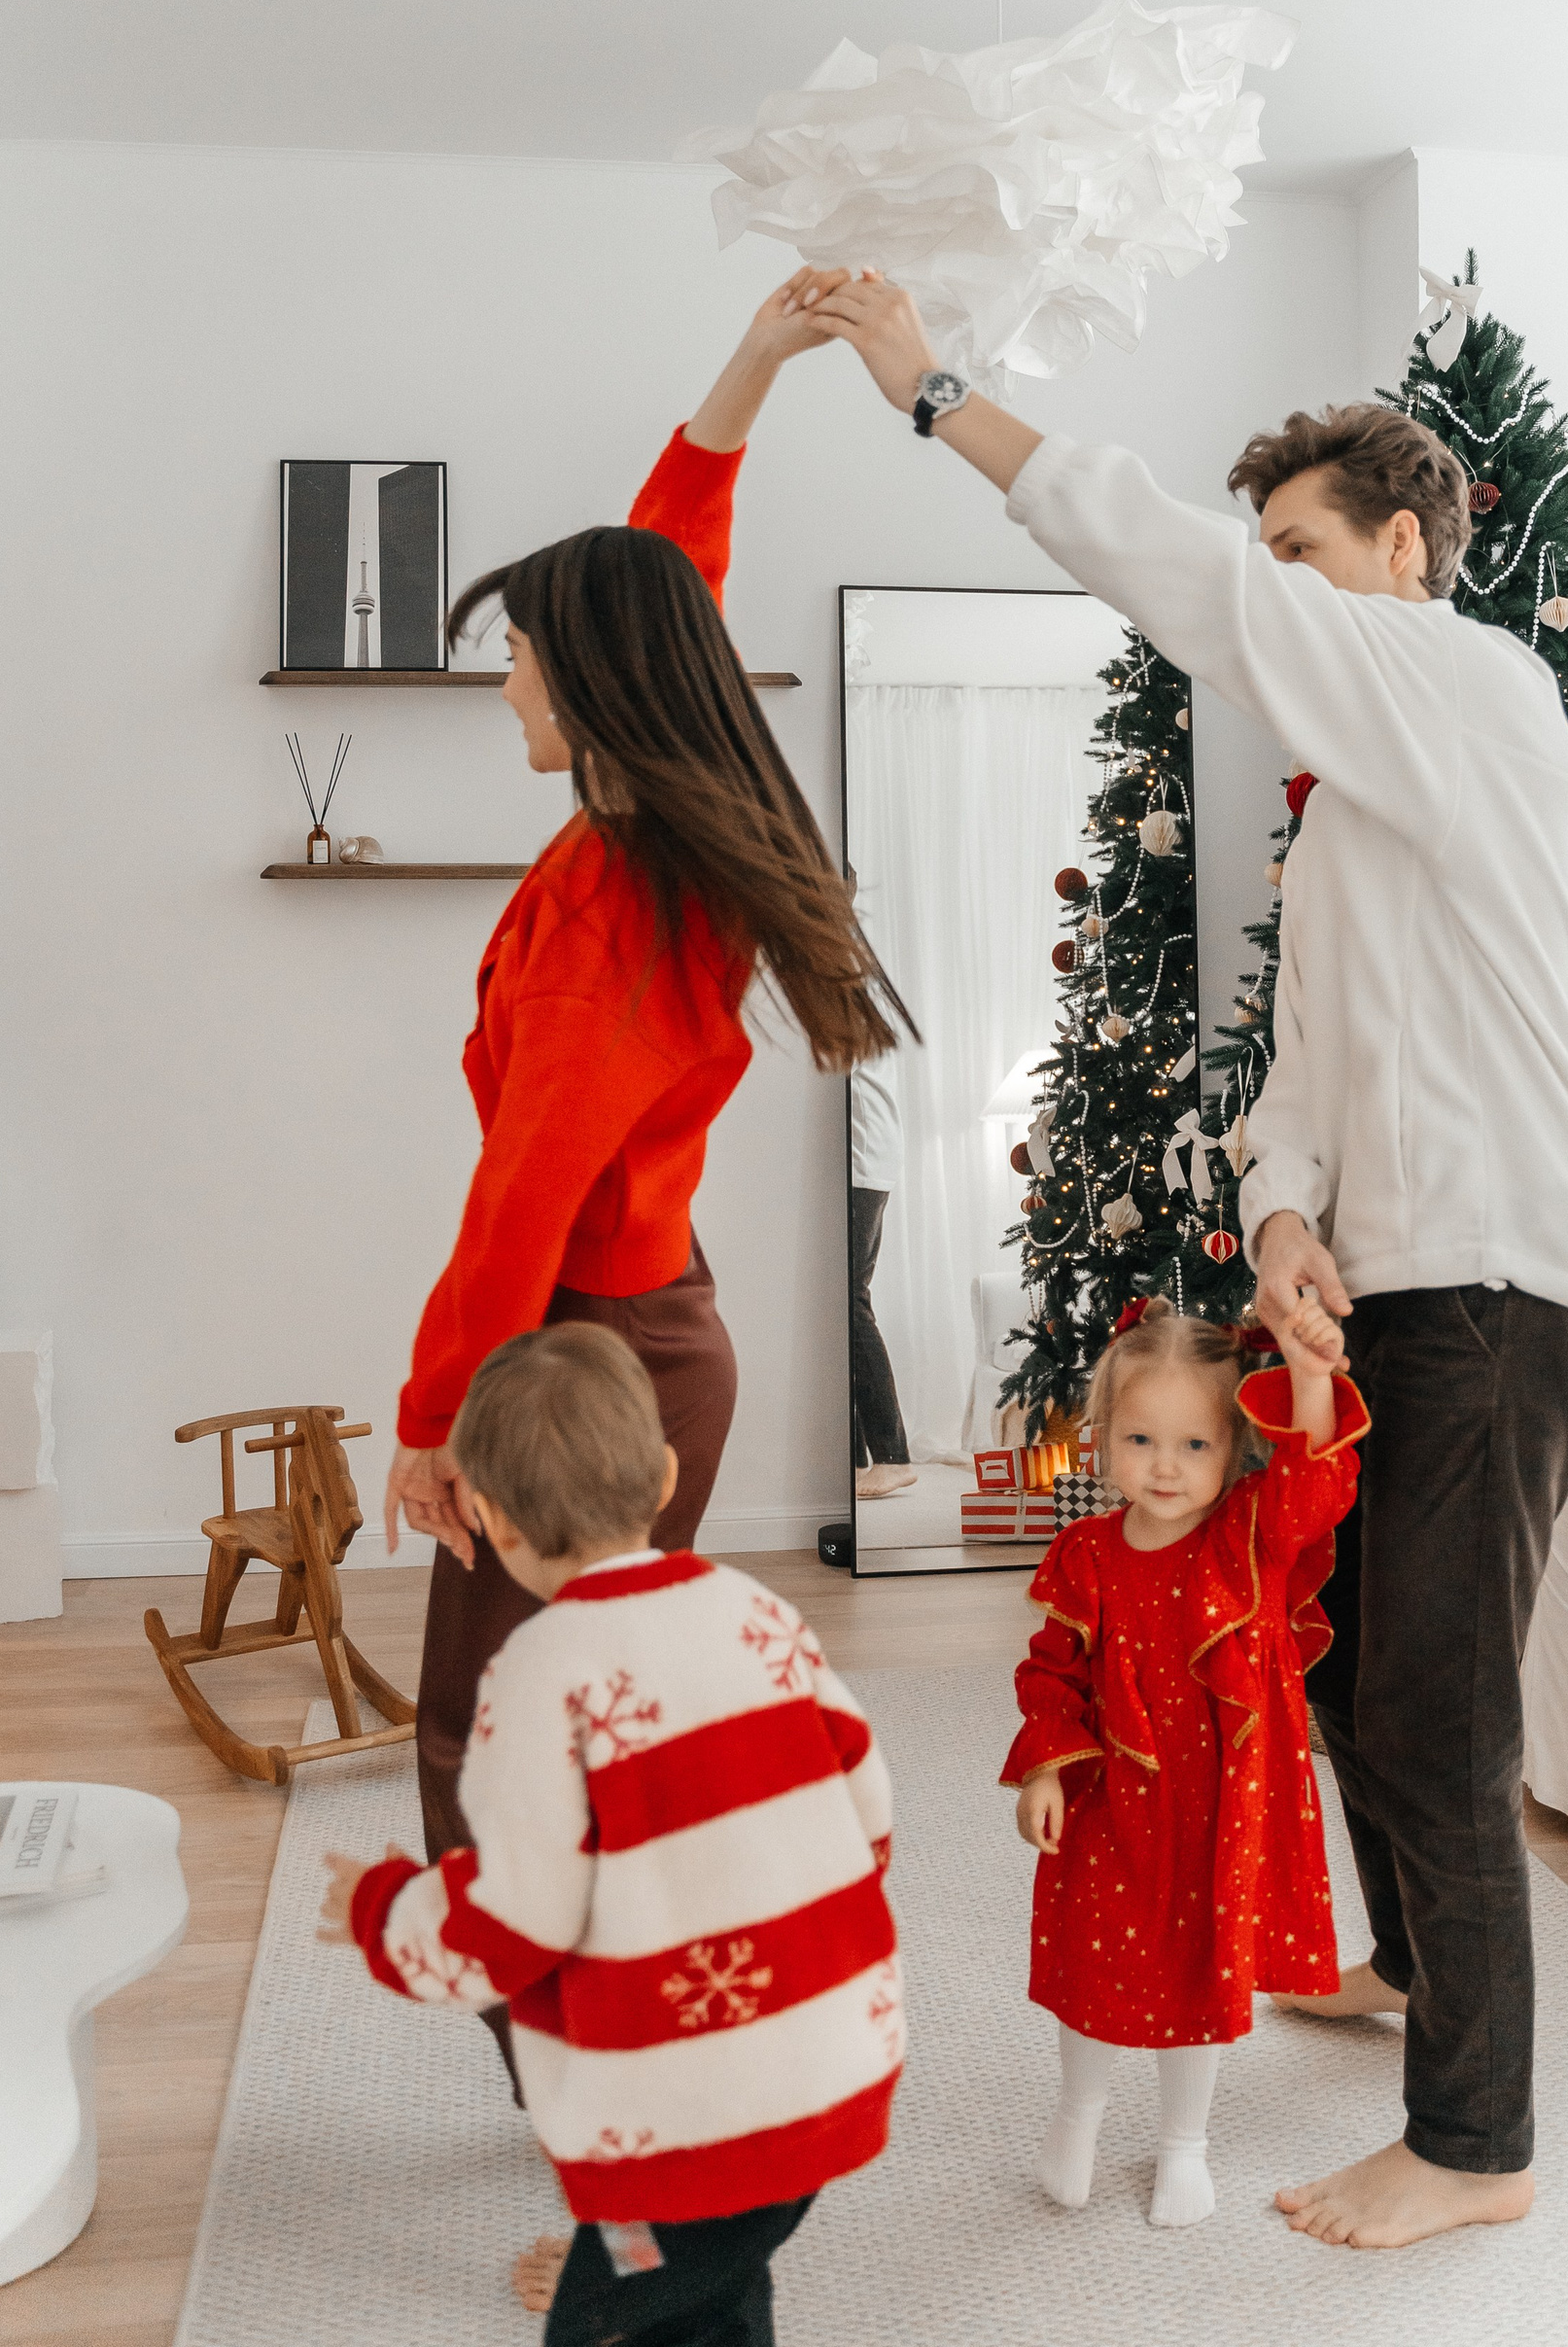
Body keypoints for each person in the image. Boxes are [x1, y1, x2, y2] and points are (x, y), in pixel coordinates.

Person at [809, 272, 1568, 2249]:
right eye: (1265, 554)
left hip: (1509, 1267)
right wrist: (1280, 1214)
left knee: (1437, 1711)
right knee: (1342, 1659)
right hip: (1407, 1273)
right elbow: (1310, 1080)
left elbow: (1177, 570)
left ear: (1406, 552)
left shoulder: (1470, 688)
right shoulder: (1360, 808)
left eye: (1300, 553)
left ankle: (1479, 2147)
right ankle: (1407, 1969)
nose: (1271, 589)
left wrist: (938, 393)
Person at [385, 267, 910, 1911]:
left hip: (588, 1353)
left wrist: (432, 1425)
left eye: (520, 658)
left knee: (493, 1737)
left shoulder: (615, 903)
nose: (509, 686)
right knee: (587, 1721)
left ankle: (564, 2001)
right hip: (640, 1336)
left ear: (587, 682)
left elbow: (522, 1198)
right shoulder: (648, 829)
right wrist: (754, 364)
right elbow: (670, 572)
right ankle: (631, 1979)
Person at [322, 1321, 900, 2347]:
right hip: (830, 2067)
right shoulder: (757, 1612)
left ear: (493, 1521)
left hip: (682, 2128)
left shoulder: (538, 1676)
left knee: (606, 2318)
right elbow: (868, 1812)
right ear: (666, 1474)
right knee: (718, 2288)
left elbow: (518, 1922)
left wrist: (382, 1909)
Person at [1004, 1294, 1367, 2228]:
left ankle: (1183, 2144)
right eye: (1140, 1440)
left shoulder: (1250, 1536)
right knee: (1096, 1962)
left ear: (1234, 1448)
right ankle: (1078, 2115)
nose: (1164, 1467)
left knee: (1199, 1972)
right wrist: (1045, 1769)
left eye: (1195, 1445)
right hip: (1111, 1800)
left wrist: (1312, 1377)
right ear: (1102, 1439)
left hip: (1221, 1805)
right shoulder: (1084, 1552)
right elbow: (1050, 1672)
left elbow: (1317, 1483)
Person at [848, 1056, 917, 1495]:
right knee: (844, 1302)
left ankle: (892, 1456)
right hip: (867, 1158)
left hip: (861, 1160)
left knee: (849, 1301)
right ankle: (856, 1458)